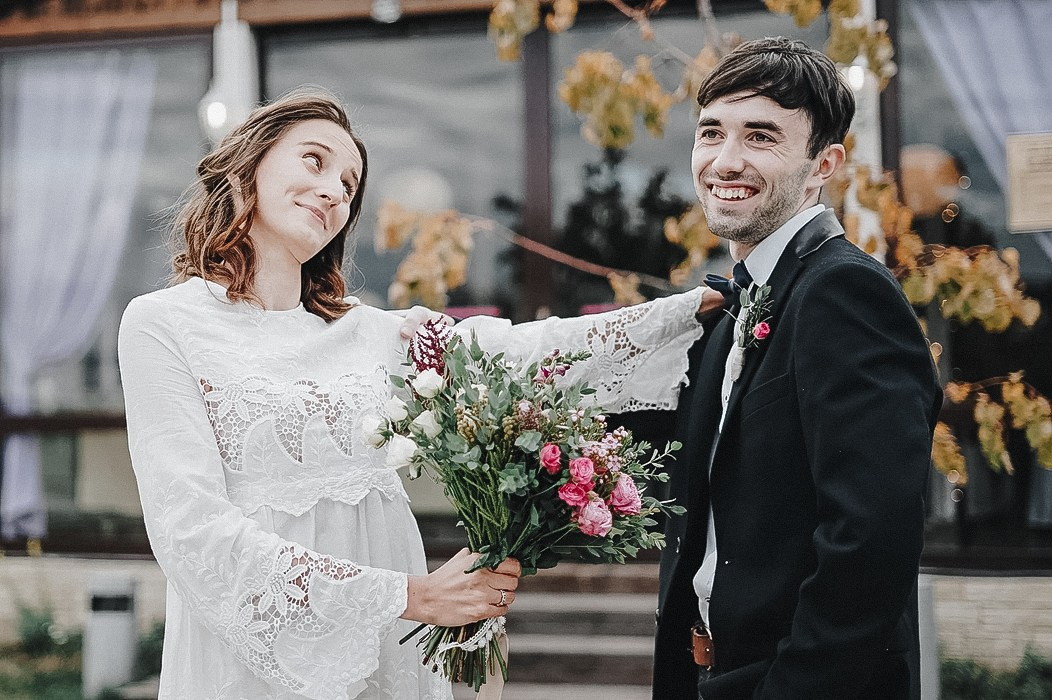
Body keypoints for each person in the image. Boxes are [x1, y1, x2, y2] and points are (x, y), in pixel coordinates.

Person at [118, 87, 723, 699]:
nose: (334, 190)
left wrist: (682, 315)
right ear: (247, 169)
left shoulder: (372, 332)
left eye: (350, 186)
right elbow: (189, 528)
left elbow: (526, 352)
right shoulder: (163, 323)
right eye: (314, 161)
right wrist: (413, 596)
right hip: (250, 659)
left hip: (387, 653)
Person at [653, 38, 942, 699]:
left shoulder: (844, 294)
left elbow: (871, 539)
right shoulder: (734, 307)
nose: (726, 160)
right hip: (709, 675)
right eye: (711, 133)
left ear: (824, 164)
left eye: (760, 136)